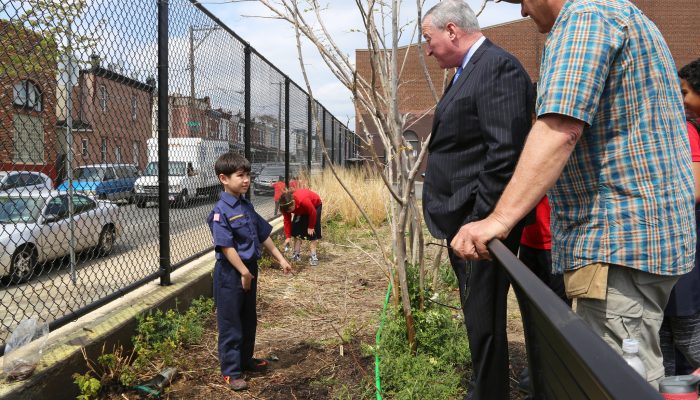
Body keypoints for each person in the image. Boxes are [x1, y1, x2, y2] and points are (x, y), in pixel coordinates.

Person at [456, 0, 695, 389]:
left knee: (615, 380)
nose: (521, 11)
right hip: (641, 240)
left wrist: (498, 220)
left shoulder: (586, 16)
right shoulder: (620, 14)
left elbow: (559, 128)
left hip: (617, 243)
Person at [420, 1, 534, 399]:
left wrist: (481, 221)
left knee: (484, 316)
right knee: (476, 314)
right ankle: (485, 386)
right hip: (464, 221)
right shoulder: (464, 72)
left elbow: (505, 154)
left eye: (428, 39)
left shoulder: (496, 67)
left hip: (480, 226)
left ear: (451, 31)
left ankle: (489, 393)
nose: (428, 49)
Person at [207, 152, 292, 391]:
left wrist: (281, 259)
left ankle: (245, 360)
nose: (246, 180)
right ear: (223, 178)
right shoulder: (220, 210)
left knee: (248, 318)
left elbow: (263, 234)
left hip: (248, 270)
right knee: (230, 321)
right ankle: (231, 371)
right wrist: (244, 272)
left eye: (248, 175)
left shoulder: (246, 205)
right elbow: (225, 247)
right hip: (231, 273)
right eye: (240, 175)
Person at [660, 58, 700, 376]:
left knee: (688, 336)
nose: (681, 100)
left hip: (685, 248)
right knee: (665, 337)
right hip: (675, 251)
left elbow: (695, 190)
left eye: (684, 92)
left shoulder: (686, 130)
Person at [279, 188, 322, 266]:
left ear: (294, 203)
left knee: (312, 232)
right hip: (301, 209)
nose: (289, 212)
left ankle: (313, 256)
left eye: (290, 210)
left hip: (315, 206)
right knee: (296, 230)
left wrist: (311, 226)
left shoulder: (303, 200)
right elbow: (287, 221)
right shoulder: (286, 207)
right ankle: (296, 254)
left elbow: (313, 212)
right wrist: (288, 236)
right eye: (287, 211)